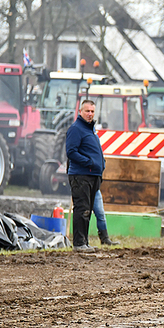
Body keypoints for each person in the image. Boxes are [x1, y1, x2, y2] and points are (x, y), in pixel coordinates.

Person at [66, 99, 105, 253]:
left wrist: (101, 163)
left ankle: (85, 242)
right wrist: (89, 162)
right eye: (87, 111)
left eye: (92, 111)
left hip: (93, 176)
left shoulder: (91, 130)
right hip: (81, 175)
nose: (90, 114)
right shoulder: (76, 129)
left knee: (87, 210)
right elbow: (71, 152)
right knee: (82, 209)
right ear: (80, 112)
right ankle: (78, 243)